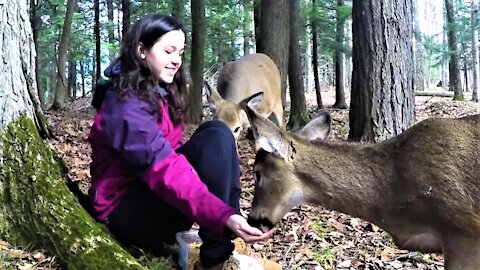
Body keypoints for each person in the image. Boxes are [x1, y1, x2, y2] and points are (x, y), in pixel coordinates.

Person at [87, 14, 276, 270]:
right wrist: (222, 215)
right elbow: (163, 169)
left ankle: (222, 244)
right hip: (125, 215)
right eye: (168, 51)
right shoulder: (125, 105)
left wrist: (224, 212)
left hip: (154, 201)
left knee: (216, 134)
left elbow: (173, 156)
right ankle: (217, 256)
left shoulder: (160, 92)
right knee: (216, 134)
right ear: (141, 51)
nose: (176, 60)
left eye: (181, 52)